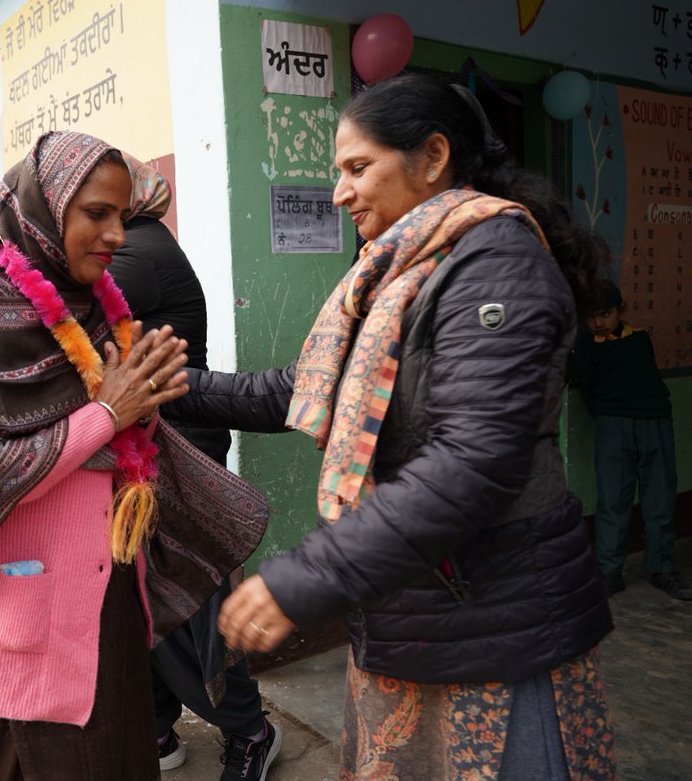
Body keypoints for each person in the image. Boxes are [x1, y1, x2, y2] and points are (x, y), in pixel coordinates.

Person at [213, 74, 616, 779]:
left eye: (357, 168)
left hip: (493, 626)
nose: (340, 193)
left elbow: (471, 463)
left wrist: (305, 579)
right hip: (419, 610)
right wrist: (170, 391)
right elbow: (304, 390)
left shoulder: (494, 265)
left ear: (432, 158)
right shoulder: (396, 271)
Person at [0, 131, 269, 781]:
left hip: (108, 600)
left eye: (122, 214)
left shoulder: (93, 305)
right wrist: (109, 413)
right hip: (20, 626)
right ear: (42, 209)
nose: (116, 233)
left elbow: (127, 419)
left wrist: (142, 400)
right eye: (96, 214)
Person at [109, 157, 280, 781]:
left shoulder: (140, 248)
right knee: (143, 597)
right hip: (146, 453)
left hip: (180, 452)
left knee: (190, 607)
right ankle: (159, 725)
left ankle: (251, 730)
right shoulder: (136, 242)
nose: (97, 225)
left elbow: (60, 316)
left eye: (103, 207)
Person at [575, 280, 691, 600]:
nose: (598, 322)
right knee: (613, 500)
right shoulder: (586, 347)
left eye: (605, 314)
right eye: (591, 317)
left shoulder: (639, 339)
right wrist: (609, 413)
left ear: (621, 311)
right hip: (613, 424)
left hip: (655, 420)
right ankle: (610, 573)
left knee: (660, 498)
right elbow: (586, 388)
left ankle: (662, 568)